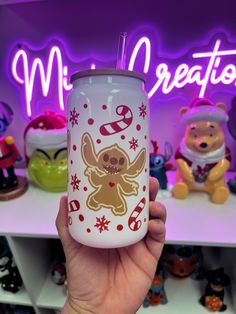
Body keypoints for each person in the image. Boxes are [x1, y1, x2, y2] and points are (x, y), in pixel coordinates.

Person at [56, 177, 166, 314]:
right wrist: (84, 308)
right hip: (93, 213)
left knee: (121, 203)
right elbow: (95, 180)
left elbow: (126, 186)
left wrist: (84, 309)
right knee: (97, 198)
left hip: (120, 211)